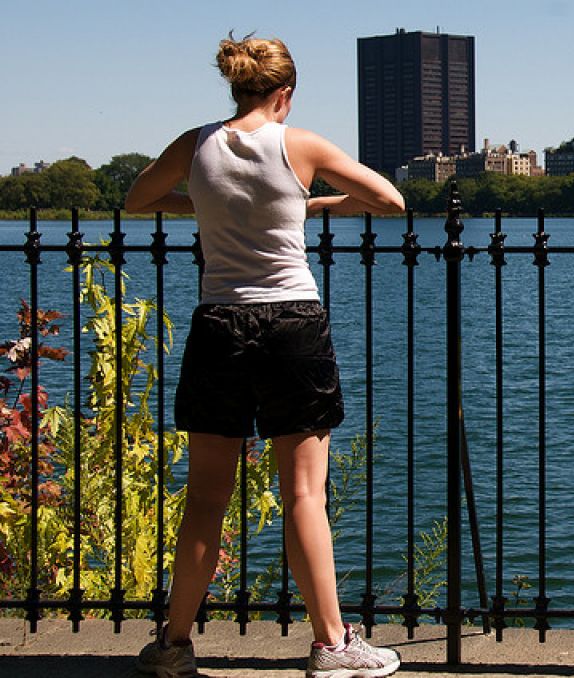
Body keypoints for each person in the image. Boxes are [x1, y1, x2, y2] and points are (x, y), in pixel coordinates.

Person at [126, 33, 405, 678]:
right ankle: (333, 646)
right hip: (291, 323)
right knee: (304, 492)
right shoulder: (299, 143)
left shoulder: (194, 145)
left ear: (234, 86)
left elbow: (138, 199)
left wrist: (202, 202)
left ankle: (172, 646)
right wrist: (314, 201)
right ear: (284, 93)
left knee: (205, 496)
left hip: (218, 323)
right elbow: (389, 199)